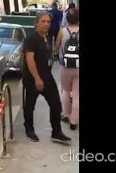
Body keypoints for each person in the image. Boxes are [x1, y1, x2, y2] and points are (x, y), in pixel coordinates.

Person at [22, 11, 72, 143]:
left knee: (56, 104)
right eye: (43, 21)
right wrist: (37, 79)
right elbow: (29, 59)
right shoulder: (32, 38)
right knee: (30, 104)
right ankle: (29, 129)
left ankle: (56, 132)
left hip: (47, 76)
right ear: (36, 23)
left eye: (48, 22)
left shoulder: (47, 36)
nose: (46, 24)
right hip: (33, 78)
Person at [55, 8, 79, 130]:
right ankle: (74, 122)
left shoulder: (63, 31)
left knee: (65, 90)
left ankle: (65, 114)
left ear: (67, 19)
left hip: (65, 66)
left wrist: (59, 54)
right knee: (76, 94)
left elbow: (57, 47)